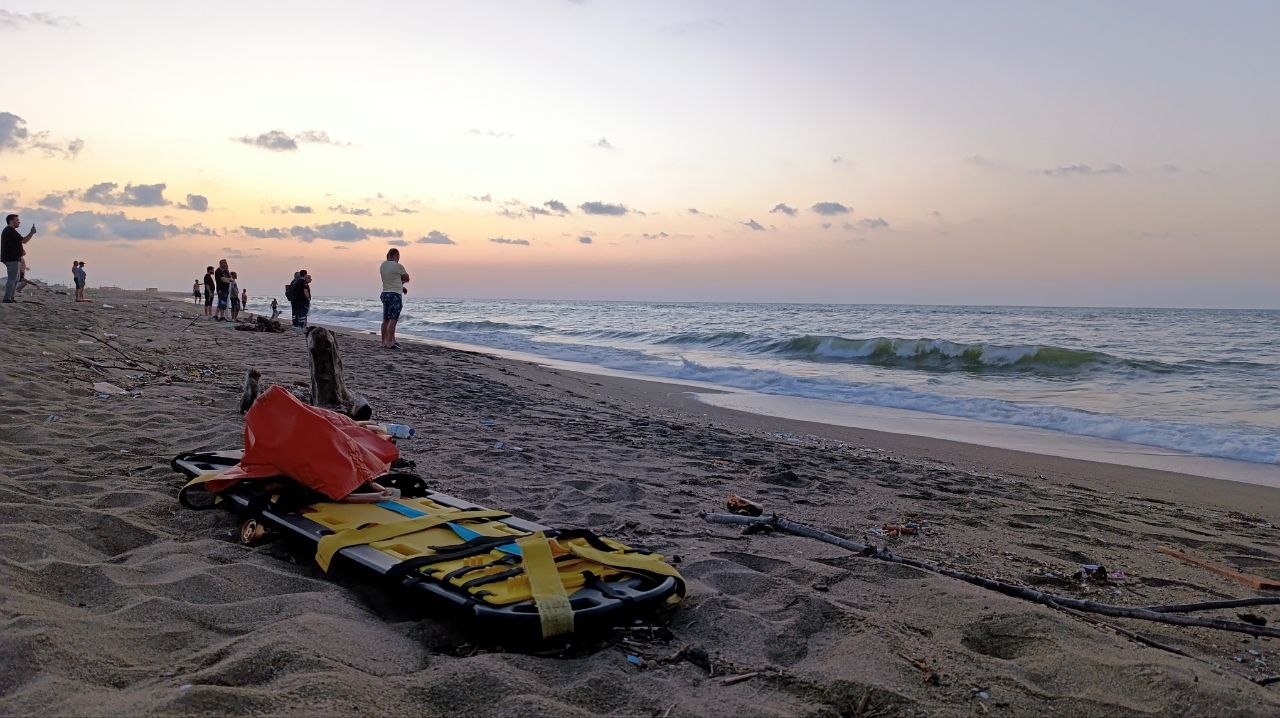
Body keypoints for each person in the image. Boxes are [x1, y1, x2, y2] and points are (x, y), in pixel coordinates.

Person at [379, 247, 410, 349]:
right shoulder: (398, 266)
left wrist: (401, 287)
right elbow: (407, 278)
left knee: (385, 319)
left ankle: (384, 341)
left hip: (385, 293)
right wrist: (402, 282)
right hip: (395, 295)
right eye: (398, 256)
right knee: (393, 319)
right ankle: (390, 342)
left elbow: (391, 280)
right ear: (396, 255)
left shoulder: (383, 265)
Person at [2, 213, 36, 303]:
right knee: (12, 278)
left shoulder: (10, 231)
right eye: (17, 220)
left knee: (16, 278)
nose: (19, 222)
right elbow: (24, 241)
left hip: (13, 258)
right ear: (11, 221)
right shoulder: (10, 230)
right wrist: (32, 232)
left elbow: (20, 242)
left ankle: (11, 297)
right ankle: (7, 298)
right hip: (11, 258)